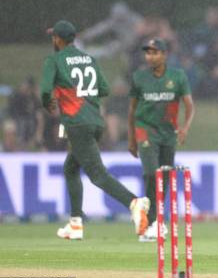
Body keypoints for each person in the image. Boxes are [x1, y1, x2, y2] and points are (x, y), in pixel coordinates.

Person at [40, 20, 150, 240]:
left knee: (97, 175)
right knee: (70, 169)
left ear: (59, 39)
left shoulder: (54, 60)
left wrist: (50, 102)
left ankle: (134, 202)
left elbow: (45, 90)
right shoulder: (89, 59)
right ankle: (76, 223)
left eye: (54, 37)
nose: (52, 40)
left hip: (77, 123)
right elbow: (104, 88)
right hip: (95, 122)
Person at [127, 38, 194, 242]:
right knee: (150, 173)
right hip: (145, 131)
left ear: (164, 55)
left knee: (164, 178)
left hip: (168, 133)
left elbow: (189, 106)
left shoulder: (177, 76)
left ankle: (154, 223)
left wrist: (184, 128)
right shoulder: (139, 77)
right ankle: (148, 219)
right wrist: (131, 139)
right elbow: (131, 110)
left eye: (155, 52)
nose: (151, 56)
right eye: (148, 53)